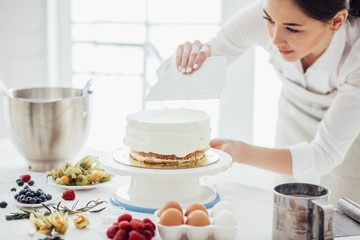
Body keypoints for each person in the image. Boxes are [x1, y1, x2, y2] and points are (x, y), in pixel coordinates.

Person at [175, 0, 360, 205]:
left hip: (348, 143)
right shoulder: (276, 12)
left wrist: (242, 152)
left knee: (341, 219)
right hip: (292, 125)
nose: (275, 39)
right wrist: (190, 57)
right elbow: (208, 61)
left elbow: (324, 154)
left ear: (337, 21)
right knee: (289, 210)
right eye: (268, 20)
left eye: (292, 29)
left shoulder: (356, 56)